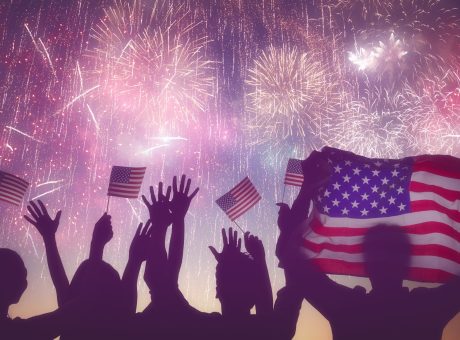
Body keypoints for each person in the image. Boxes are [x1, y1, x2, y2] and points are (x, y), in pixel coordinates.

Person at [275, 151, 460, 340]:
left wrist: (304, 196)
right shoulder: (427, 309)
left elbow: (293, 261)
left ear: (366, 260)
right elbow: (292, 262)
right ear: (406, 259)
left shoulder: (347, 308)